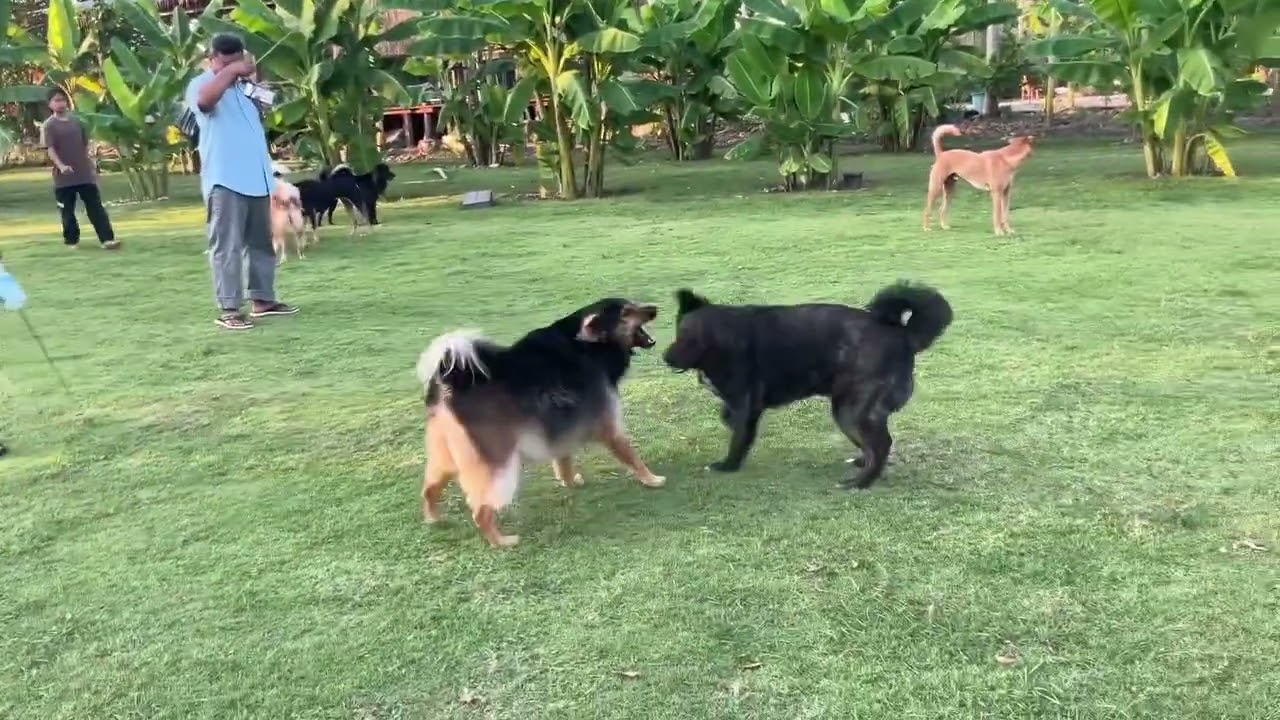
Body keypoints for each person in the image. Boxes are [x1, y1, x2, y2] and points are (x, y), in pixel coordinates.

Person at [185, 32, 297, 330]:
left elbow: (267, 108)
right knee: (227, 246)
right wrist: (232, 72)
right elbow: (205, 103)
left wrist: (256, 86)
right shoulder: (201, 85)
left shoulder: (245, 90)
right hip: (225, 179)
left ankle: (263, 300)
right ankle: (230, 308)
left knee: (262, 244)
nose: (235, 65)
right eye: (227, 60)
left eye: (238, 59)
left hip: (257, 178)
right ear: (212, 59)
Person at [40, 88, 120, 250]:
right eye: (56, 100)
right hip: (63, 178)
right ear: (50, 104)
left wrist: (90, 165)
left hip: (84, 174)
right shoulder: (49, 126)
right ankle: (72, 241)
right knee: (67, 211)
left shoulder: (77, 121)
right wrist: (61, 166)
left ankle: (107, 240)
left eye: (62, 100)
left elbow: (85, 144)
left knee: (96, 207)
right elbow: (50, 150)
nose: (60, 103)